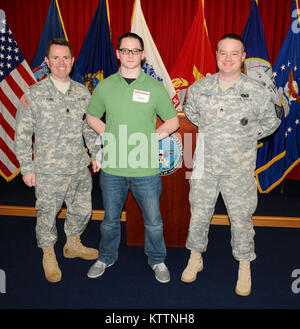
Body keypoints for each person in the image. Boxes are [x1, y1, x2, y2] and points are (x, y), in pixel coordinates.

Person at [181, 33, 281, 296]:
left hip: (238, 168)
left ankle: (245, 264)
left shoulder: (259, 92)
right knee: (199, 215)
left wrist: (245, 137)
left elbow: (272, 122)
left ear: (243, 57)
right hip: (202, 164)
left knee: (241, 218)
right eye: (222, 52)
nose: (228, 58)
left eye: (234, 53)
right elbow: (191, 113)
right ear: (216, 55)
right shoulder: (199, 88)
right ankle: (195, 257)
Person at [85, 32, 179, 283]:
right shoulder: (105, 86)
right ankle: (106, 256)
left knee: (154, 222)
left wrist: (155, 136)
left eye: (135, 50)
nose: (130, 55)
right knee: (109, 220)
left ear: (143, 54)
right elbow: (91, 117)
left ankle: (157, 260)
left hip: (145, 169)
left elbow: (172, 121)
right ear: (117, 53)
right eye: (125, 50)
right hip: (113, 168)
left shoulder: (154, 87)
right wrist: (110, 134)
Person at [15, 38, 100, 283]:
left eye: (65, 58)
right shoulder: (35, 93)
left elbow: (89, 129)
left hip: (77, 167)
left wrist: (96, 155)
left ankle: (72, 244)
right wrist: (26, 168)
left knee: (83, 210)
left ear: (72, 62)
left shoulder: (82, 92)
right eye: (56, 58)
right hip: (47, 169)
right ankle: (48, 251)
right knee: (47, 213)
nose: (61, 63)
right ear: (47, 61)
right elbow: (22, 133)